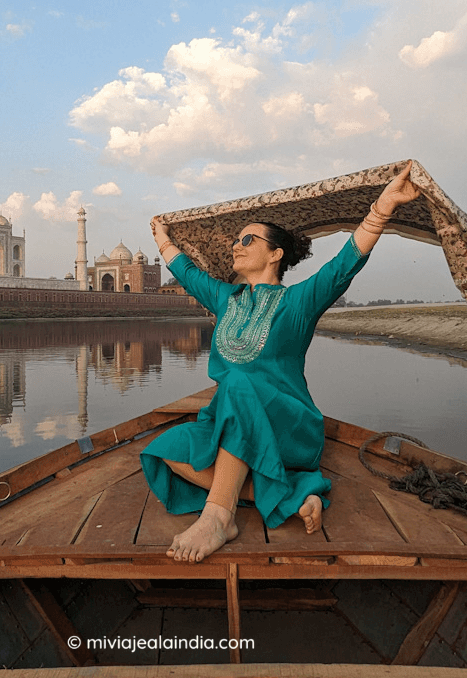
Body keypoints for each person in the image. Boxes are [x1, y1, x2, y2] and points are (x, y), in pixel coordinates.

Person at [145, 167, 421, 563]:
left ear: (275, 254)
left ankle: (218, 517)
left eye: (248, 239)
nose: (236, 246)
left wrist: (384, 206)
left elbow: (343, 264)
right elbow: (186, 273)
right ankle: (289, 495)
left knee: (238, 381)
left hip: (286, 423)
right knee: (166, 449)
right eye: (235, 240)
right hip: (228, 419)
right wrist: (162, 238)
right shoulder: (226, 298)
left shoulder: (297, 302)